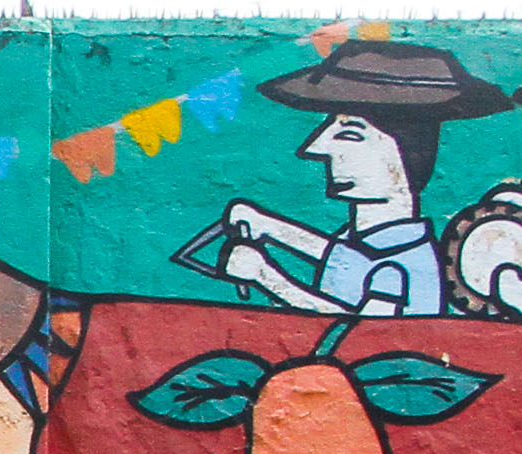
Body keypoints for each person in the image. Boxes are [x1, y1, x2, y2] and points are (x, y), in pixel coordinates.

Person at [217, 42, 511, 319]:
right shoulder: (372, 241)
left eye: (349, 133)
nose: (315, 147)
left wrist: (265, 276)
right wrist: (269, 226)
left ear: (405, 153)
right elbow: (347, 258)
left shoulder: (402, 264)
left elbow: (361, 334)